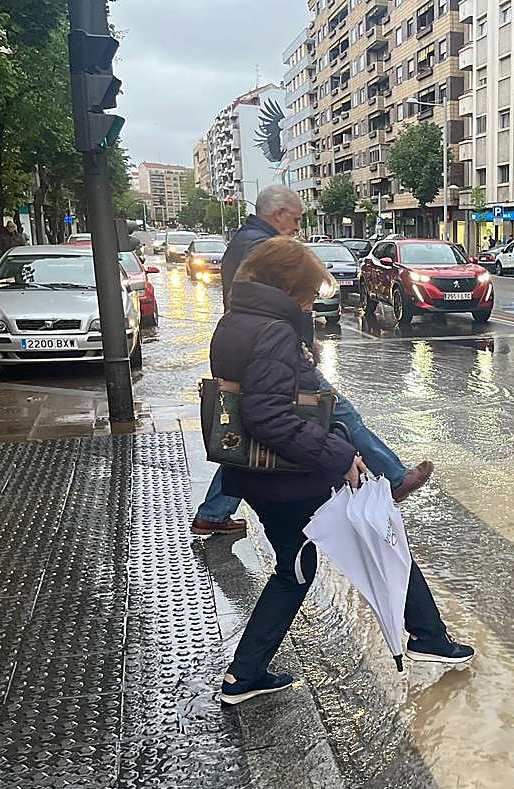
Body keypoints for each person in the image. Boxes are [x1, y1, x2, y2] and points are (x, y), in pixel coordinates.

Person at [212, 238, 474, 704]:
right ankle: (428, 638)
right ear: (288, 285)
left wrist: (301, 361)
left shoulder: (238, 320)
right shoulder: (272, 329)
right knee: (379, 533)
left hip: (264, 474)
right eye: (309, 294)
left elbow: (265, 392)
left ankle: (246, 672)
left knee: (302, 564)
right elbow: (268, 415)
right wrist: (340, 456)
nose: (312, 302)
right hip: (290, 476)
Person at [193, 184, 431, 536]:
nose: (297, 227)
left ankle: (213, 512)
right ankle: (391, 477)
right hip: (272, 352)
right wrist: (299, 345)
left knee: (246, 436)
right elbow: (281, 300)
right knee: (327, 413)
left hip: (259, 349)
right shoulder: (267, 248)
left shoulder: (244, 240)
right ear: (279, 214)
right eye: (296, 219)